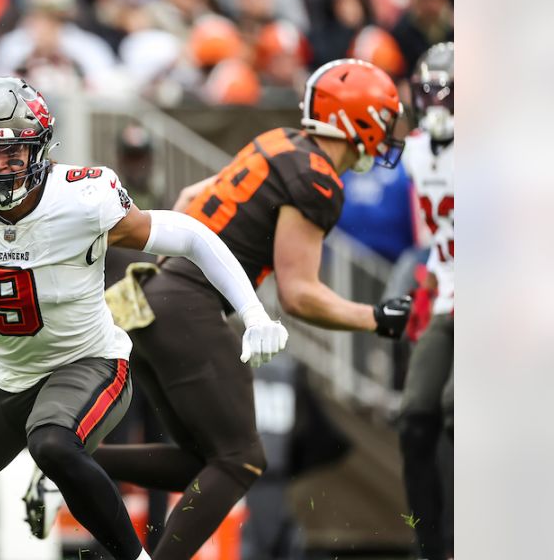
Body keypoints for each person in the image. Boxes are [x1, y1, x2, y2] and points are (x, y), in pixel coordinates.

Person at [0, 76, 285, 560]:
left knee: (53, 443)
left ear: (39, 151)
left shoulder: (83, 199)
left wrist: (254, 313)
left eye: (13, 154)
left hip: (87, 360)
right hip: (3, 371)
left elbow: (190, 235)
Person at [53, 59, 414, 560]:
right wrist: (376, 318)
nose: (387, 133)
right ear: (357, 119)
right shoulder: (318, 180)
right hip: (188, 304)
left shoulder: (280, 140)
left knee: (201, 461)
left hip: (153, 295)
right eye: (381, 118)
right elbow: (299, 294)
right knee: (242, 461)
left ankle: (74, 457)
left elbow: (189, 196)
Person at [397, 42, 455, 560]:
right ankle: (431, 549)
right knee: (415, 415)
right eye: (429, 93)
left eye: (447, 94)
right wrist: (430, 276)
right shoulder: (416, 151)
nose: (436, 105)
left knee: (461, 408)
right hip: (448, 289)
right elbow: (437, 234)